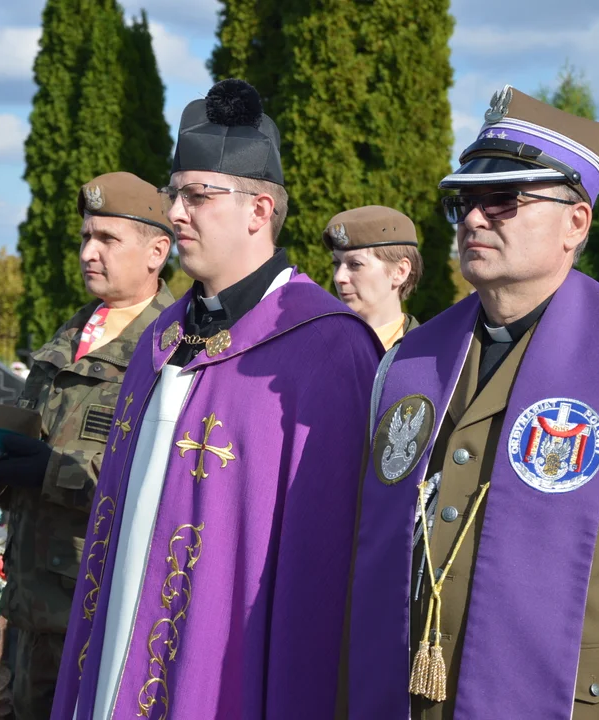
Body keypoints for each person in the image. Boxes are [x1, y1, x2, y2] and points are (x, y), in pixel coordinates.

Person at [340, 86, 599, 719]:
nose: (474, 219)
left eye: (504, 199)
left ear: (577, 222)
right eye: (462, 201)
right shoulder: (412, 360)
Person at [52, 78, 381, 720]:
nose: (175, 212)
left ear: (259, 210)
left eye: (198, 196)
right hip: (122, 637)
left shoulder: (325, 347)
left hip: (230, 672)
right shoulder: (161, 339)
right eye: (175, 193)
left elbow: (324, 569)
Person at [0, 172, 176, 719]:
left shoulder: (172, 346)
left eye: (107, 239)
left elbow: (159, 481)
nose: (89, 252)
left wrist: (48, 471)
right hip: (32, 604)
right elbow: (31, 448)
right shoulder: (69, 337)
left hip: (99, 607)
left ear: (157, 251)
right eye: (85, 238)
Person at [325, 205, 423, 348]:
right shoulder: (319, 348)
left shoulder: (427, 354)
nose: (339, 277)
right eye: (336, 263)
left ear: (400, 271)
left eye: (355, 264)